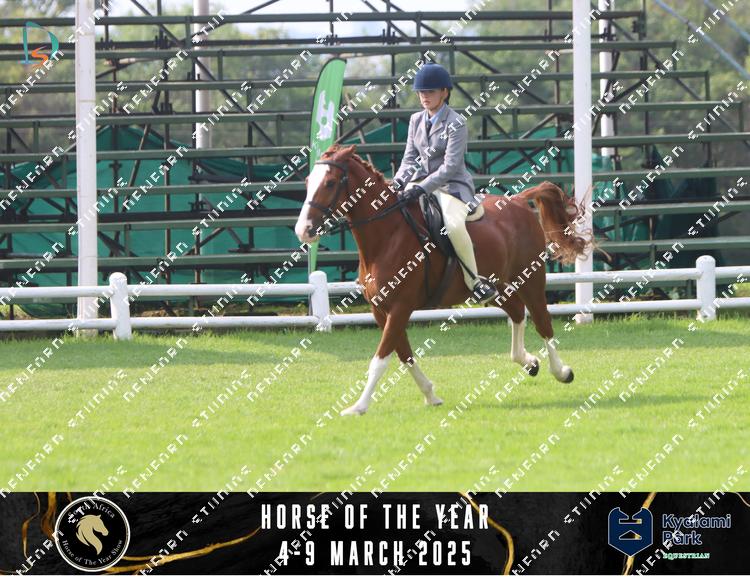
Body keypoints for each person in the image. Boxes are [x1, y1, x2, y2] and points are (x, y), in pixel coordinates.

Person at [391, 62, 498, 304]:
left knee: (453, 226)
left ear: (444, 92)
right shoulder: (415, 120)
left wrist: (421, 187)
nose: (424, 96)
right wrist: (399, 182)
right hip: (419, 184)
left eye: (430, 91)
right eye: (421, 92)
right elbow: (409, 158)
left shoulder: (456, 122)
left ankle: (475, 282)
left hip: (452, 187)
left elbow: (450, 167)